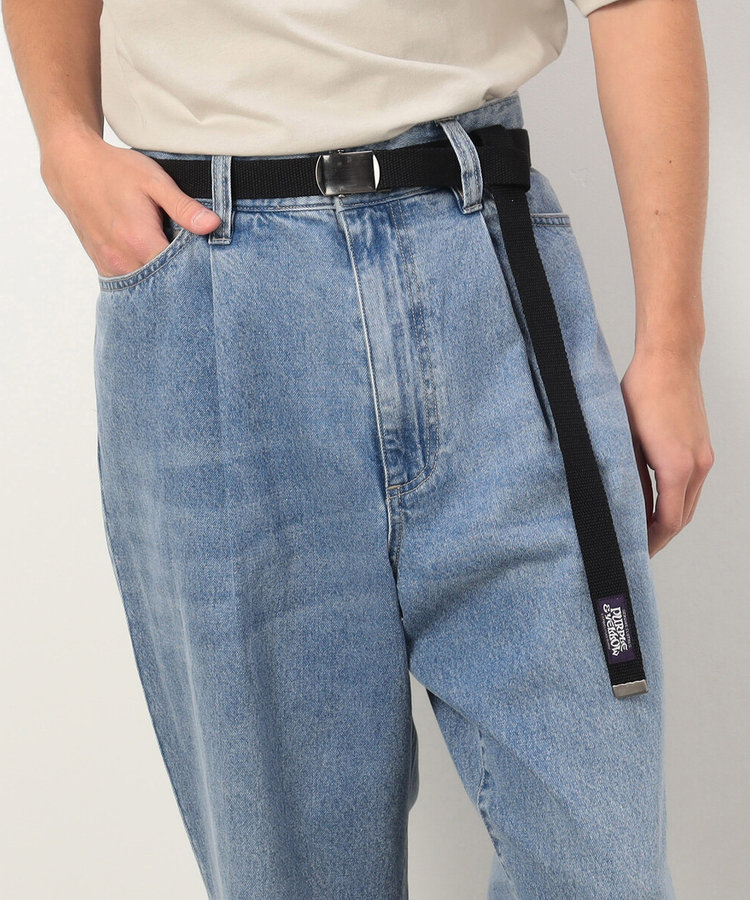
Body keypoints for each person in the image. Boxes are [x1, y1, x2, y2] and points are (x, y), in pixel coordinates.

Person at [4, 0, 712, 896]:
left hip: (487, 273)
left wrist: (672, 345)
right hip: (217, 291)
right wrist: (64, 139)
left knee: (605, 871)